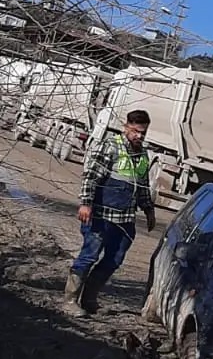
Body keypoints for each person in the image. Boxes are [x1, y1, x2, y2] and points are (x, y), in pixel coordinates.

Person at [64, 109, 156, 315]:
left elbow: (142, 186)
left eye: (143, 132)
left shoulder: (142, 155)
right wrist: (86, 203)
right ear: (126, 127)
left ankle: (89, 299)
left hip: (124, 219)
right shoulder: (110, 146)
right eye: (135, 131)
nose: (139, 136)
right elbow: (91, 177)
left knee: (114, 259)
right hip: (100, 216)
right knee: (89, 256)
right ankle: (70, 301)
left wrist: (149, 210)